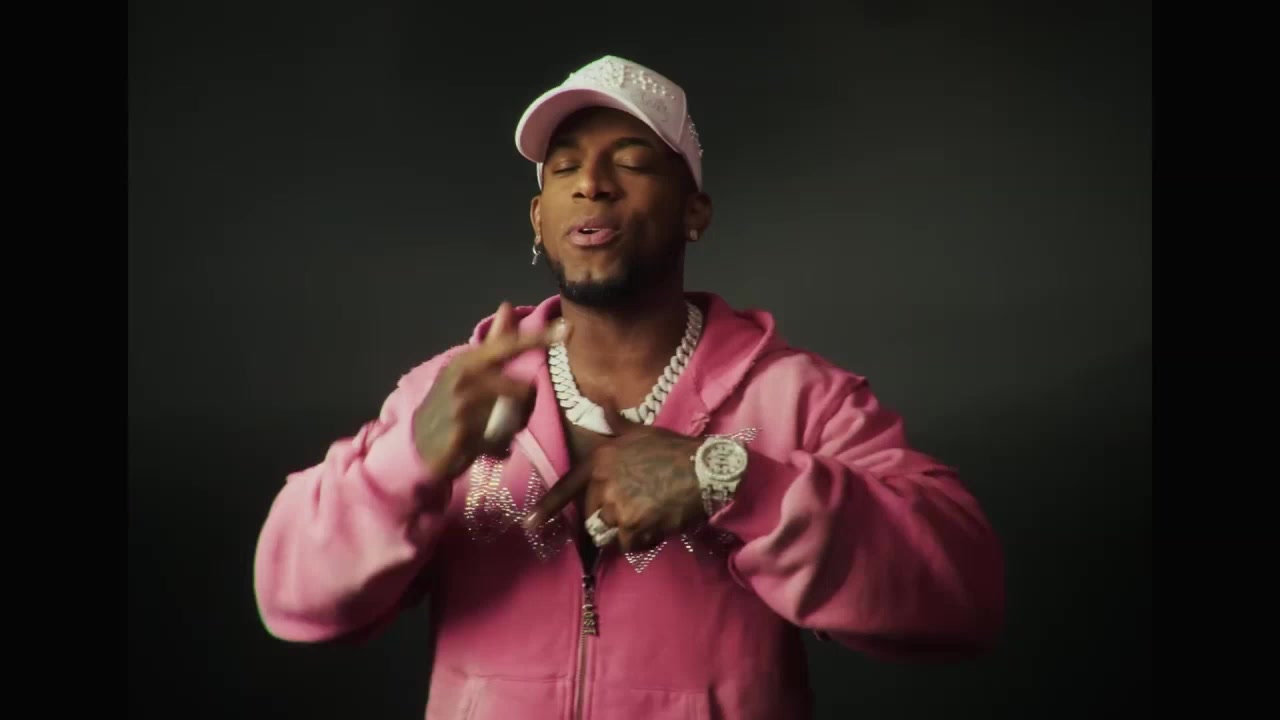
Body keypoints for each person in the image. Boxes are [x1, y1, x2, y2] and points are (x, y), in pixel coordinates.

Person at [253, 54, 1005, 720]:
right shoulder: (451, 391)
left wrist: (729, 477)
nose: (592, 184)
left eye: (634, 162)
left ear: (694, 211)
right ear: (539, 219)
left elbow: (962, 597)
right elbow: (294, 600)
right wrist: (408, 461)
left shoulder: (800, 400)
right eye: (564, 168)